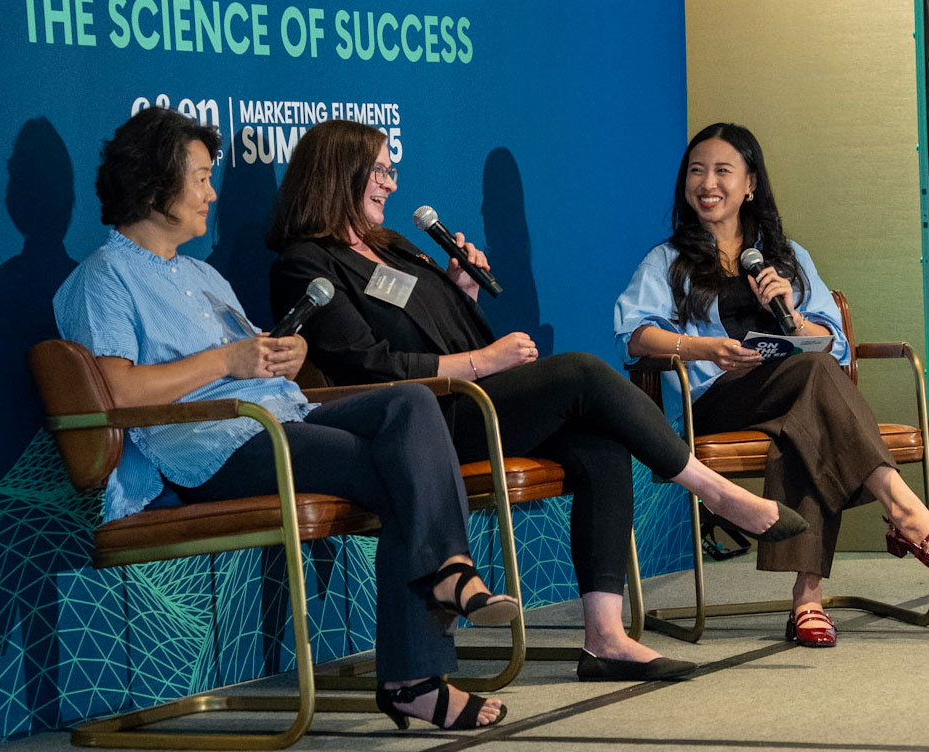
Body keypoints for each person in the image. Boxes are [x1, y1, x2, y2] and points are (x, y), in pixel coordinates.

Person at [267, 119, 808, 681]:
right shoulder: (305, 262)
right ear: (340, 172)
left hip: (469, 401)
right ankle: (714, 492)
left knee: (600, 445)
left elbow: (443, 334)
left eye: (390, 170)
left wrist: (462, 291)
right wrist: (484, 361)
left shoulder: (395, 247)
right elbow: (367, 365)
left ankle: (605, 640)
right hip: (420, 425)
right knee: (581, 371)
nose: (392, 183)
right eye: (379, 171)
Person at [52, 107, 520, 730]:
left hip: (280, 419)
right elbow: (115, 391)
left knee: (410, 401)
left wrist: (285, 356)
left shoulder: (201, 274)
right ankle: (419, 665)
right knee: (404, 474)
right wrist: (229, 359)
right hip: (211, 448)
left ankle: (445, 588)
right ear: (155, 184)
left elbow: (255, 359)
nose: (212, 193)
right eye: (201, 179)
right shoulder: (102, 279)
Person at [614, 122, 929, 647]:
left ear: (750, 184)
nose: (707, 183)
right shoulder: (667, 261)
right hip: (714, 401)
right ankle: (905, 510)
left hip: (788, 398)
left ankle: (808, 600)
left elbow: (832, 343)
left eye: (722, 171)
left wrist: (793, 316)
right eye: (697, 171)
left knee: (801, 423)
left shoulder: (786, 257)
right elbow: (635, 335)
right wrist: (705, 349)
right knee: (813, 381)